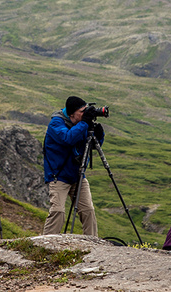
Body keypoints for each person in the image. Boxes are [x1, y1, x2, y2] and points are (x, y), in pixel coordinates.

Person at [41, 96, 102, 236]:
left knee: (88, 211)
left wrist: (99, 134)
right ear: (71, 113)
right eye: (82, 111)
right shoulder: (56, 123)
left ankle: (94, 245)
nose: (84, 114)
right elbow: (68, 138)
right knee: (58, 212)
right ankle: (46, 244)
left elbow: (92, 146)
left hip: (78, 175)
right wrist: (85, 123)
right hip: (59, 176)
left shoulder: (82, 123)